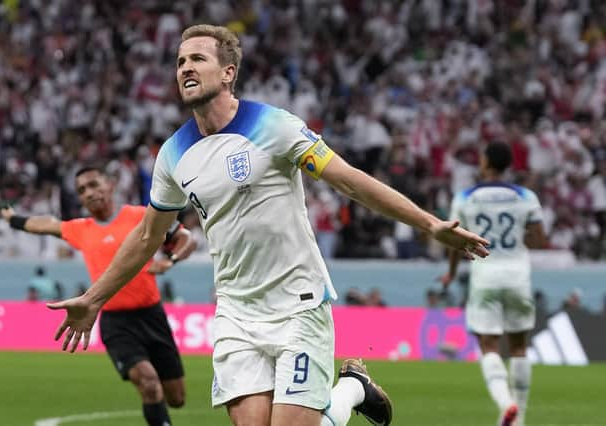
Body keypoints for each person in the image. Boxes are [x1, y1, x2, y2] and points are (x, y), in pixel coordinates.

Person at [47, 24, 489, 426]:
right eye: (180, 61)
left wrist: (430, 225)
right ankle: (354, 387)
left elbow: (349, 181)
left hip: (297, 303)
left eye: (198, 58)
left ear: (228, 73)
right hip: (236, 312)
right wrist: (94, 298)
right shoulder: (173, 154)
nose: (185, 68)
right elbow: (147, 236)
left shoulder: (273, 125)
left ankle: (351, 389)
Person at [0, 166, 197, 426]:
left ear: (110, 185)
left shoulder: (140, 216)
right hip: (116, 323)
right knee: (148, 382)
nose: (89, 193)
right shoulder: (81, 228)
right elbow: (47, 225)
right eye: (82, 190)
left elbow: (187, 238)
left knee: (177, 398)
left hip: (152, 316)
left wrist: (169, 260)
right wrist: (14, 219)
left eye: (93, 185)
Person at [439, 141, 547, 426]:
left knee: (488, 345)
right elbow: (538, 239)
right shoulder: (526, 196)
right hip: (518, 275)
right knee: (520, 347)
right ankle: (519, 417)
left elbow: (454, 239)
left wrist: (451, 272)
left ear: (486, 163)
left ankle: (505, 403)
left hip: (485, 275)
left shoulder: (465, 197)